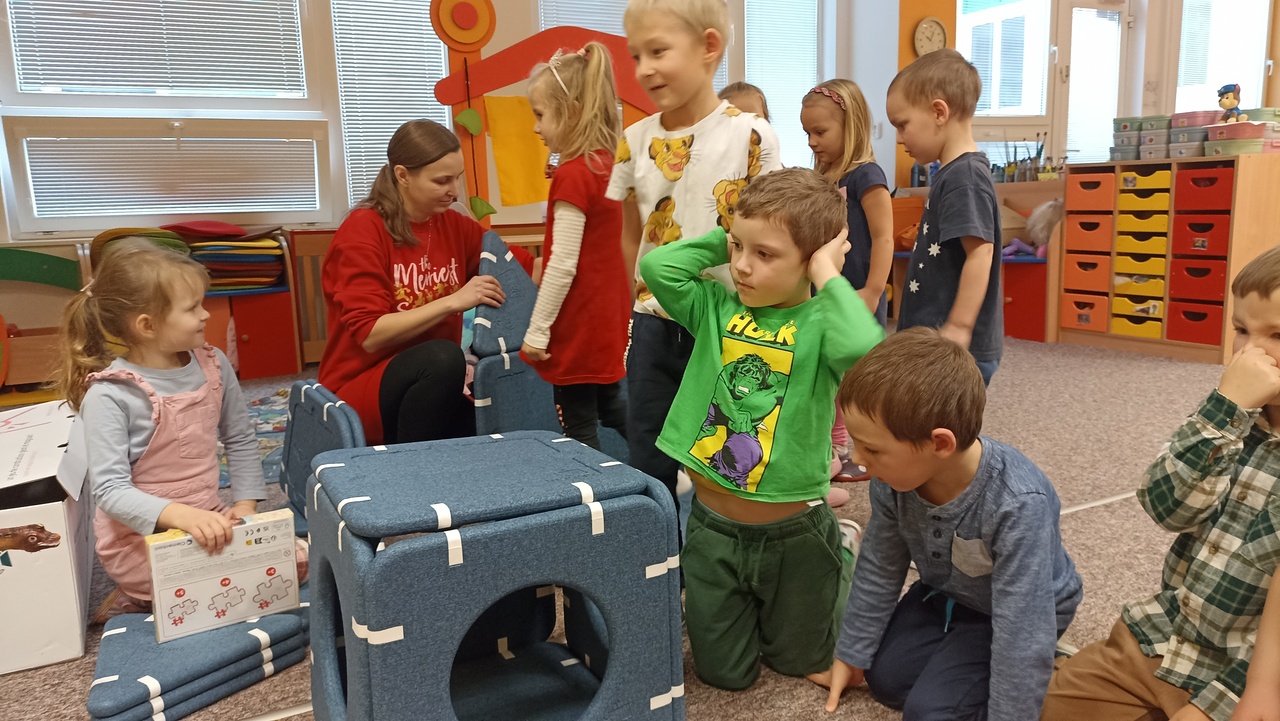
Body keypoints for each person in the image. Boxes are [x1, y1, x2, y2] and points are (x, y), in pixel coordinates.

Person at [639, 168, 884, 690]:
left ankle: (840, 549)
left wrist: (827, 271)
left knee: (801, 663)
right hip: (711, 528)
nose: (742, 267)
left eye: (765, 254)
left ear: (810, 261)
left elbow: (866, 349)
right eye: (737, 249)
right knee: (724, 675)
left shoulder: (821, 324)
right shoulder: (714, 306)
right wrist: (726, 236)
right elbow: (657, 267)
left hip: (794, 535)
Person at [1042, 244, 1280, 721]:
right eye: (1241, 330)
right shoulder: (1230, 412)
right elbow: (1166, 507)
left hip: (1248, 673)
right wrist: (1226, 411)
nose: (1249, 352)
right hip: (1170, 637)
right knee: (1045, 704)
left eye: (1277, 335)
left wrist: (1218, 702)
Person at [819, 327, 1081, 719]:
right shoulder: (891, 480)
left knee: (930, 712)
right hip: (945, 593)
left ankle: (1048, 664)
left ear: (940, 444)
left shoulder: (1018, 504)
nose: (858, 460)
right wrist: (852, 654)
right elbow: (879, 566)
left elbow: (1020, 626)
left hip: (1020, 610)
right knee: (885, 679)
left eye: (872, 449)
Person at [609, 0, 782, 523]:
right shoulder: (634, 141)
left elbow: (774, 234)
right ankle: (659, 558)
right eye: (636, 55)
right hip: (654, 323)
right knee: (648, 453)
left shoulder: (751, 134)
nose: (644, 69)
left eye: (658, 51)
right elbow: (631, 236)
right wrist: (634, 305)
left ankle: (724, 551)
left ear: (709, 47)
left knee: (731, 455)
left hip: (729, 323)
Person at [54, 238, 281, 620]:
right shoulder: (110, 394)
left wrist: (244, 506)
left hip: (209, 517)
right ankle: (137, 597)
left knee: (294, 560)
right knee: (218, 592)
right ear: (147, 325)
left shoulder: (214, 363)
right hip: (137, 540)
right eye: (192, 308)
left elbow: (240, 437)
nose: (205, 314)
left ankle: (157, 598)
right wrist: (184, 518)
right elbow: (110, 491)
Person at [319, 119, 504, 445]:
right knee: (444, 358)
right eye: (442, 181)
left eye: (457, 178)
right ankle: (408, 466)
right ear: (403, 175)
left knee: (491, 417)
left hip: (430, 381)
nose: (454, 191)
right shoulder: (362, 230)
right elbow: (370, 334)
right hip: (360, 386)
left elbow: (516, 267)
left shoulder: (453, 225)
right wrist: (452, 301)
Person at [518, 42, 630, 450]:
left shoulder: (574, 174)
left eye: (540, 115)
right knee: (611, 406)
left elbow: (562, 263)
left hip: (580, 322)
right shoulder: (607, 167)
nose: (536, 128)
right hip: (607, 317)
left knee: (578, 427)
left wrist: (537, 332)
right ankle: (667, 463)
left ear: (572, 111)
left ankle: (594, 489)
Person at [887, 49, 1003, 385]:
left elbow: (980, 252)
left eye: (902, 125)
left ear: (939, 112)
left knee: (938, 419)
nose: (899, 138)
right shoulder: (952, 173)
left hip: (952, 348)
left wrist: (959, 326)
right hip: (933, 341)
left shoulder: (964, 177)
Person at [802, 78, 895, 484]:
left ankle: (865, 449)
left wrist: (873, 291)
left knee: (860, 380)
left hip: (859, 293)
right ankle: (837, 445)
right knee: (831, 374)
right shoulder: (822, 178)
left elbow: (884, 237)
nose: (812, 142)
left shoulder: (866, 176)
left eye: (820, 132)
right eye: (806, 133)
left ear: (850, 125)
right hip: (826, 294)